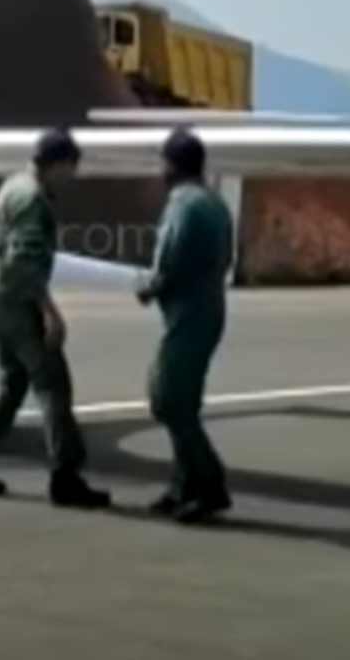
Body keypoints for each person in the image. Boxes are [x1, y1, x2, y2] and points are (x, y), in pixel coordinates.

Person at [0, 128, 110, 508]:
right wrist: (50, 313)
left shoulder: (13, 185)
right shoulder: (34, 200)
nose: (72, 177)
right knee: (53, 384)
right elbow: (24, 262)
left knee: (12, 382)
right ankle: (66, 477)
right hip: (17, 303)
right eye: (71, 168)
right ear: (57, 164)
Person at [136, 126, 235, 523]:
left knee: (168, 400)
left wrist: (148, 288)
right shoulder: (215, 203)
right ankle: (183, 486)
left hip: (188, 316)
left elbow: (168, 262)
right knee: (184, 403)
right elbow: (226, 260)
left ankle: (210, 484)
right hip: (208, 310)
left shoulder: (183, 204)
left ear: (172, 165)